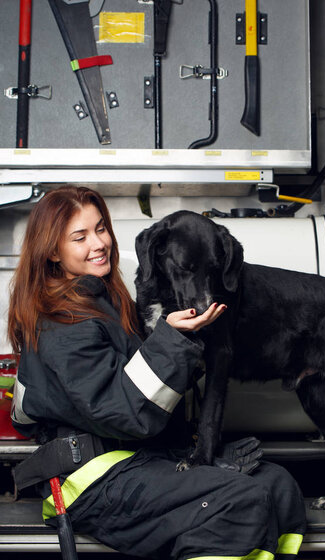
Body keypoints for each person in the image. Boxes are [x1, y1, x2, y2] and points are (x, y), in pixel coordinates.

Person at [8, 185, 306, 560]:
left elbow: (144, 384)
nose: (99, 243)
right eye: (79, 237)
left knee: (278, 486)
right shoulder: (63, 320)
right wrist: (175, 338)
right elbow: (124, 412)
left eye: (101, 229)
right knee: (240, 500)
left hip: (136, 458)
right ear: (53, 251)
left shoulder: (105, 303)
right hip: (87, 480)